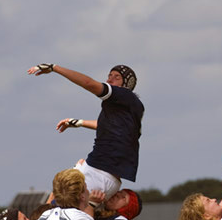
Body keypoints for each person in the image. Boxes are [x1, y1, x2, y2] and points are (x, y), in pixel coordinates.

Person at [28, 62, 143, 211]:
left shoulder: (123, 95)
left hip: (98, 172)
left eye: (116, 77)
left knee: (52, 211)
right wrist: (80, 122)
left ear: (126, 85)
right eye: (109, 76)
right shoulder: (131, 106)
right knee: (58, 207)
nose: (110, 80)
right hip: (106, 176)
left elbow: (88, 83)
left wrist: (54, 68)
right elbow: (109, 126)